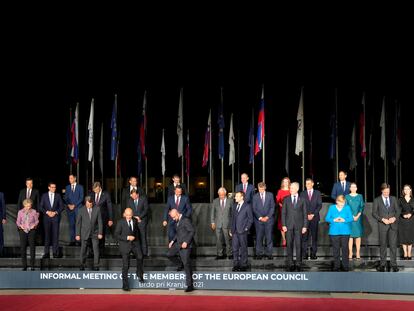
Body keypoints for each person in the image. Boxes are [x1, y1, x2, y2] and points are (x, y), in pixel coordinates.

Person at [372, 183, 400, 272]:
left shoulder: (394, 199)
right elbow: (374, 213)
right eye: (385, 192)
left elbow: (398, 210)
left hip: (393, 225)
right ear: (382, 191)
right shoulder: (377, 200)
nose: (387, 193)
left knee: (393, 246)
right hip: (383, 225)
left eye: (388, 192)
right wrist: (382, 219)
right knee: (383, 246)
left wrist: (394, 217)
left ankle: (394, 265)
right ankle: (382, 265)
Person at [115, 208, 144, 291]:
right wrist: (127, 237)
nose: (128, 217)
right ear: (124, 214)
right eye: (127, 215)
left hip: (135, 244)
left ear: (132, 214)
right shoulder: (120, 222)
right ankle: (125, 285)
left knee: (140, 257)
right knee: (126, 266)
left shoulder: (135, 220)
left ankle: (139, 273)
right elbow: (116, 235)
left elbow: (137, 231)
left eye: (130, 215)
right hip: (125, 245)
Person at [167, 208, 195, 293]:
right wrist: (172, 241)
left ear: (177, 213)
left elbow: (192, 231)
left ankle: (190, 285)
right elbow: (178, 233)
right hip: (178, 244)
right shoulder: (177, 220)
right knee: (169, 255)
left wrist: (186, 242)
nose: (173, 219)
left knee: (187, 264)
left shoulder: (185, 220)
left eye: (173, 217)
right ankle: (180, 263)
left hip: (185, 245)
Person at [282, 182, 308, 271]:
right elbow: (283, 213)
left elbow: (305, 214)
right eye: (290, 188)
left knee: (298, 245)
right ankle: (290, 263)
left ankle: (298, 263)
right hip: (288, 226)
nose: (290, 189)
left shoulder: (303, 200)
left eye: (292, 188)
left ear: (297, 189)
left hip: (299, 226)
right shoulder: (286, 199)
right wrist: (284, 225)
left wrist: (305, 226)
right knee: (289, 245)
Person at [325, 195, 353, 271]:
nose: (342, 205)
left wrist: (344, 220)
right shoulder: (332, 208)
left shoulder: (347, 207)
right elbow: (327, 218)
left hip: (345, 231)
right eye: (340, 203)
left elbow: (351, 218)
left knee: (345, 249)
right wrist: (334, 220)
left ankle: (345, 266)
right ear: (337, 201)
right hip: (334, 232)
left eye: (343, 203)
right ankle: (336, 266)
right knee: (336, 250)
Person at [76, 196, 103, 271]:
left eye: (91, 204)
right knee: (83, 249)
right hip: (84, 232)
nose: (89, 205)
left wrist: (100, 232)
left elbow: (100, 222)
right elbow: (78, 223)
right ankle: (82, 264)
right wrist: (77, 234)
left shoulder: (97, 209)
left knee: (96, 249)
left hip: (95, 232)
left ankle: (96, 265)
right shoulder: (81, 210)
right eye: (88, 204)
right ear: (85, 202)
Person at [39, 182, 63, 258]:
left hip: (55, 218)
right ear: (49, 187)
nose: (54, 189)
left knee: (55, 235)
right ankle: (46, 253)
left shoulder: (58, 195)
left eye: (55, 187)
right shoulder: (44, 196)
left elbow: (61, 206)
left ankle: (55, 252)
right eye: (52, 187)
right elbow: (40, 207)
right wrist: (47, 212)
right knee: (47, 236)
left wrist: (55, 212)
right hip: (46, 218)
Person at [230, 191, 253, 272]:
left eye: (237, 196)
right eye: (235, 196)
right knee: (235, 248)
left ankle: (244, 265)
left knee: (243, 248)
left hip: (243, 231)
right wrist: (231, 229)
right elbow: (232, 219)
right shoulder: (234, 205)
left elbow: (250, 219)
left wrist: (246, 228)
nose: (235, 197)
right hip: (235, 231)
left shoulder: (247, 206)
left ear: (242, 197)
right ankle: (236, 265)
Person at [300, 178, 322, 260]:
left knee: (314, 237)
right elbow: (301, 206)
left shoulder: (317, 193)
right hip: (305, 219)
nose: (307, 185)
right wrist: (306, 215)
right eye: (306, 184)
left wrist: (313, 214)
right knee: (304, 237)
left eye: (308, 183)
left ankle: (313, 254)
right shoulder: (302, 193)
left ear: (312, 184)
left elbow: (319, 205)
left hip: (314, 218)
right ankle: (304, 254)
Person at [252, 182, 275, 259]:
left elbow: (272, 207)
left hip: (269, 220)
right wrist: (260, 217)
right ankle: (259, 254)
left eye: (262, 188)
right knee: (259, 238)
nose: (261, 190)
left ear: (265, 187)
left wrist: (267, 217)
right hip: (258, 221)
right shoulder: (255, 197)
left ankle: (269, 254)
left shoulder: (270, 195)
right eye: (259, 189)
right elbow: (254, 209)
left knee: (269, 237)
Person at [91, 181, 113, 256]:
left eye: (97, 190)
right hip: (93, 218)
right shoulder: (92, 194)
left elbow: (109, 207)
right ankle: (92, 252)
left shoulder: (106, 194)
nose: (95, 192)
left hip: (103, 218)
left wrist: (110, 219)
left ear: (100, 188)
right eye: (94, 190)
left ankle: (101, 252)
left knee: (101, 235)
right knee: (93, 235)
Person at [16, 199, 39, 270]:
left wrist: (34, 225)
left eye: (29, 206)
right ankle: (24, 266)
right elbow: (18, 221)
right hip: (23, 231)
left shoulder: (34, 211)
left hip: (31, 231)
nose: (28, 207)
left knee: (32, 248)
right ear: (24, 205)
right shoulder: (20, 212)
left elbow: (37, 221)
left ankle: (32, 266)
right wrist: (20, 226)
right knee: (23, 248)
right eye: (27, 206)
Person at [210, 187, 233, 259]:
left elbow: (232, 214)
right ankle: (220, 254)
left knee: (228, 239)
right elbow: (212, 213)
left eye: (223, 195)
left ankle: (229, 254)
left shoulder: (230, 201)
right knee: (218, 240)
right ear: (218, 194)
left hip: (227, 223)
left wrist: (232, 224)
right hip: (217, 223)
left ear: (225, 194)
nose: (221, 197)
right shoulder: (215, 201)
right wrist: (212, 222)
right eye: (220, 195)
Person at [126, 189, 149, 256]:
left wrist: (139, 217)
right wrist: (134, 217)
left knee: (143, 237)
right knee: (134, 237)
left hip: (142, 221)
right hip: (133, 221)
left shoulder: (143, 199)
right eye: (132, 196)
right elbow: (128, 210)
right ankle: (134, 252)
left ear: (138, 194)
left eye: (135, 195)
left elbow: (146, 209)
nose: (134, 197)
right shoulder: (129, 200)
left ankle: (144, 253)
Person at [345, 182, 365, 260]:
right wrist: (351, 216)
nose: (353, 188)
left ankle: (358, 253)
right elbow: (346, 207)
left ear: (356, 188)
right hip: (350, 219)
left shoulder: (360, 196)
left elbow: (362, 207)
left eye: (355, 187)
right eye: (352, 187)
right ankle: (350, 253)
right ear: (350, 189)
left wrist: (358, 215)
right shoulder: (346, 196)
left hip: (358, 218)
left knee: (358, 236)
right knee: (350, 236)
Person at [64, 174, 84, 246]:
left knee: (78, 224)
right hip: (70, 209)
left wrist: (74, 205)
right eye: (69, 178)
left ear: (75, 179)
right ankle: (72, 240)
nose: (70, 180)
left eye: (71, 178)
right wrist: (69, 205)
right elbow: (65, 198)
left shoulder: (80, 187)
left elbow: (81, 198)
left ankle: (78, 241)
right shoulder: (67, 187)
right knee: (71, 225)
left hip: (78, 208)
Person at [398, 184, 414, 260]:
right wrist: (403, 215)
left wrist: (411, 214)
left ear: (410, 190)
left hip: (411, 220)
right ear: (403, 191)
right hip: (403, 220)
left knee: (410, 236)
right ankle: (405, 253)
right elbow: (398, 209)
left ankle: (409, 253)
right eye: (405, 189)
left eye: (408, 189)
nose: (406, 190)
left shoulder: (413, 199)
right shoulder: (400, 200)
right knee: (403, 236)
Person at [276, 177, 291, 247]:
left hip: (290, 210)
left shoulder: (291, 190)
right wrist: (280, 204)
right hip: (282, 210)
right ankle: (284, 239)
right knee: (282, 225)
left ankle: (289, 239)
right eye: (284, 181)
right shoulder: (280, 191)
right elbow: (277, 200)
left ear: (288, 182)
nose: (285, 183)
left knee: (289, 224)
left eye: (286, 181)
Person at [0, 191, 5, 256]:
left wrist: (4, 217)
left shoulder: (1, 194)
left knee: (0, 234)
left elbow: (3, 206)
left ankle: (0, 252)